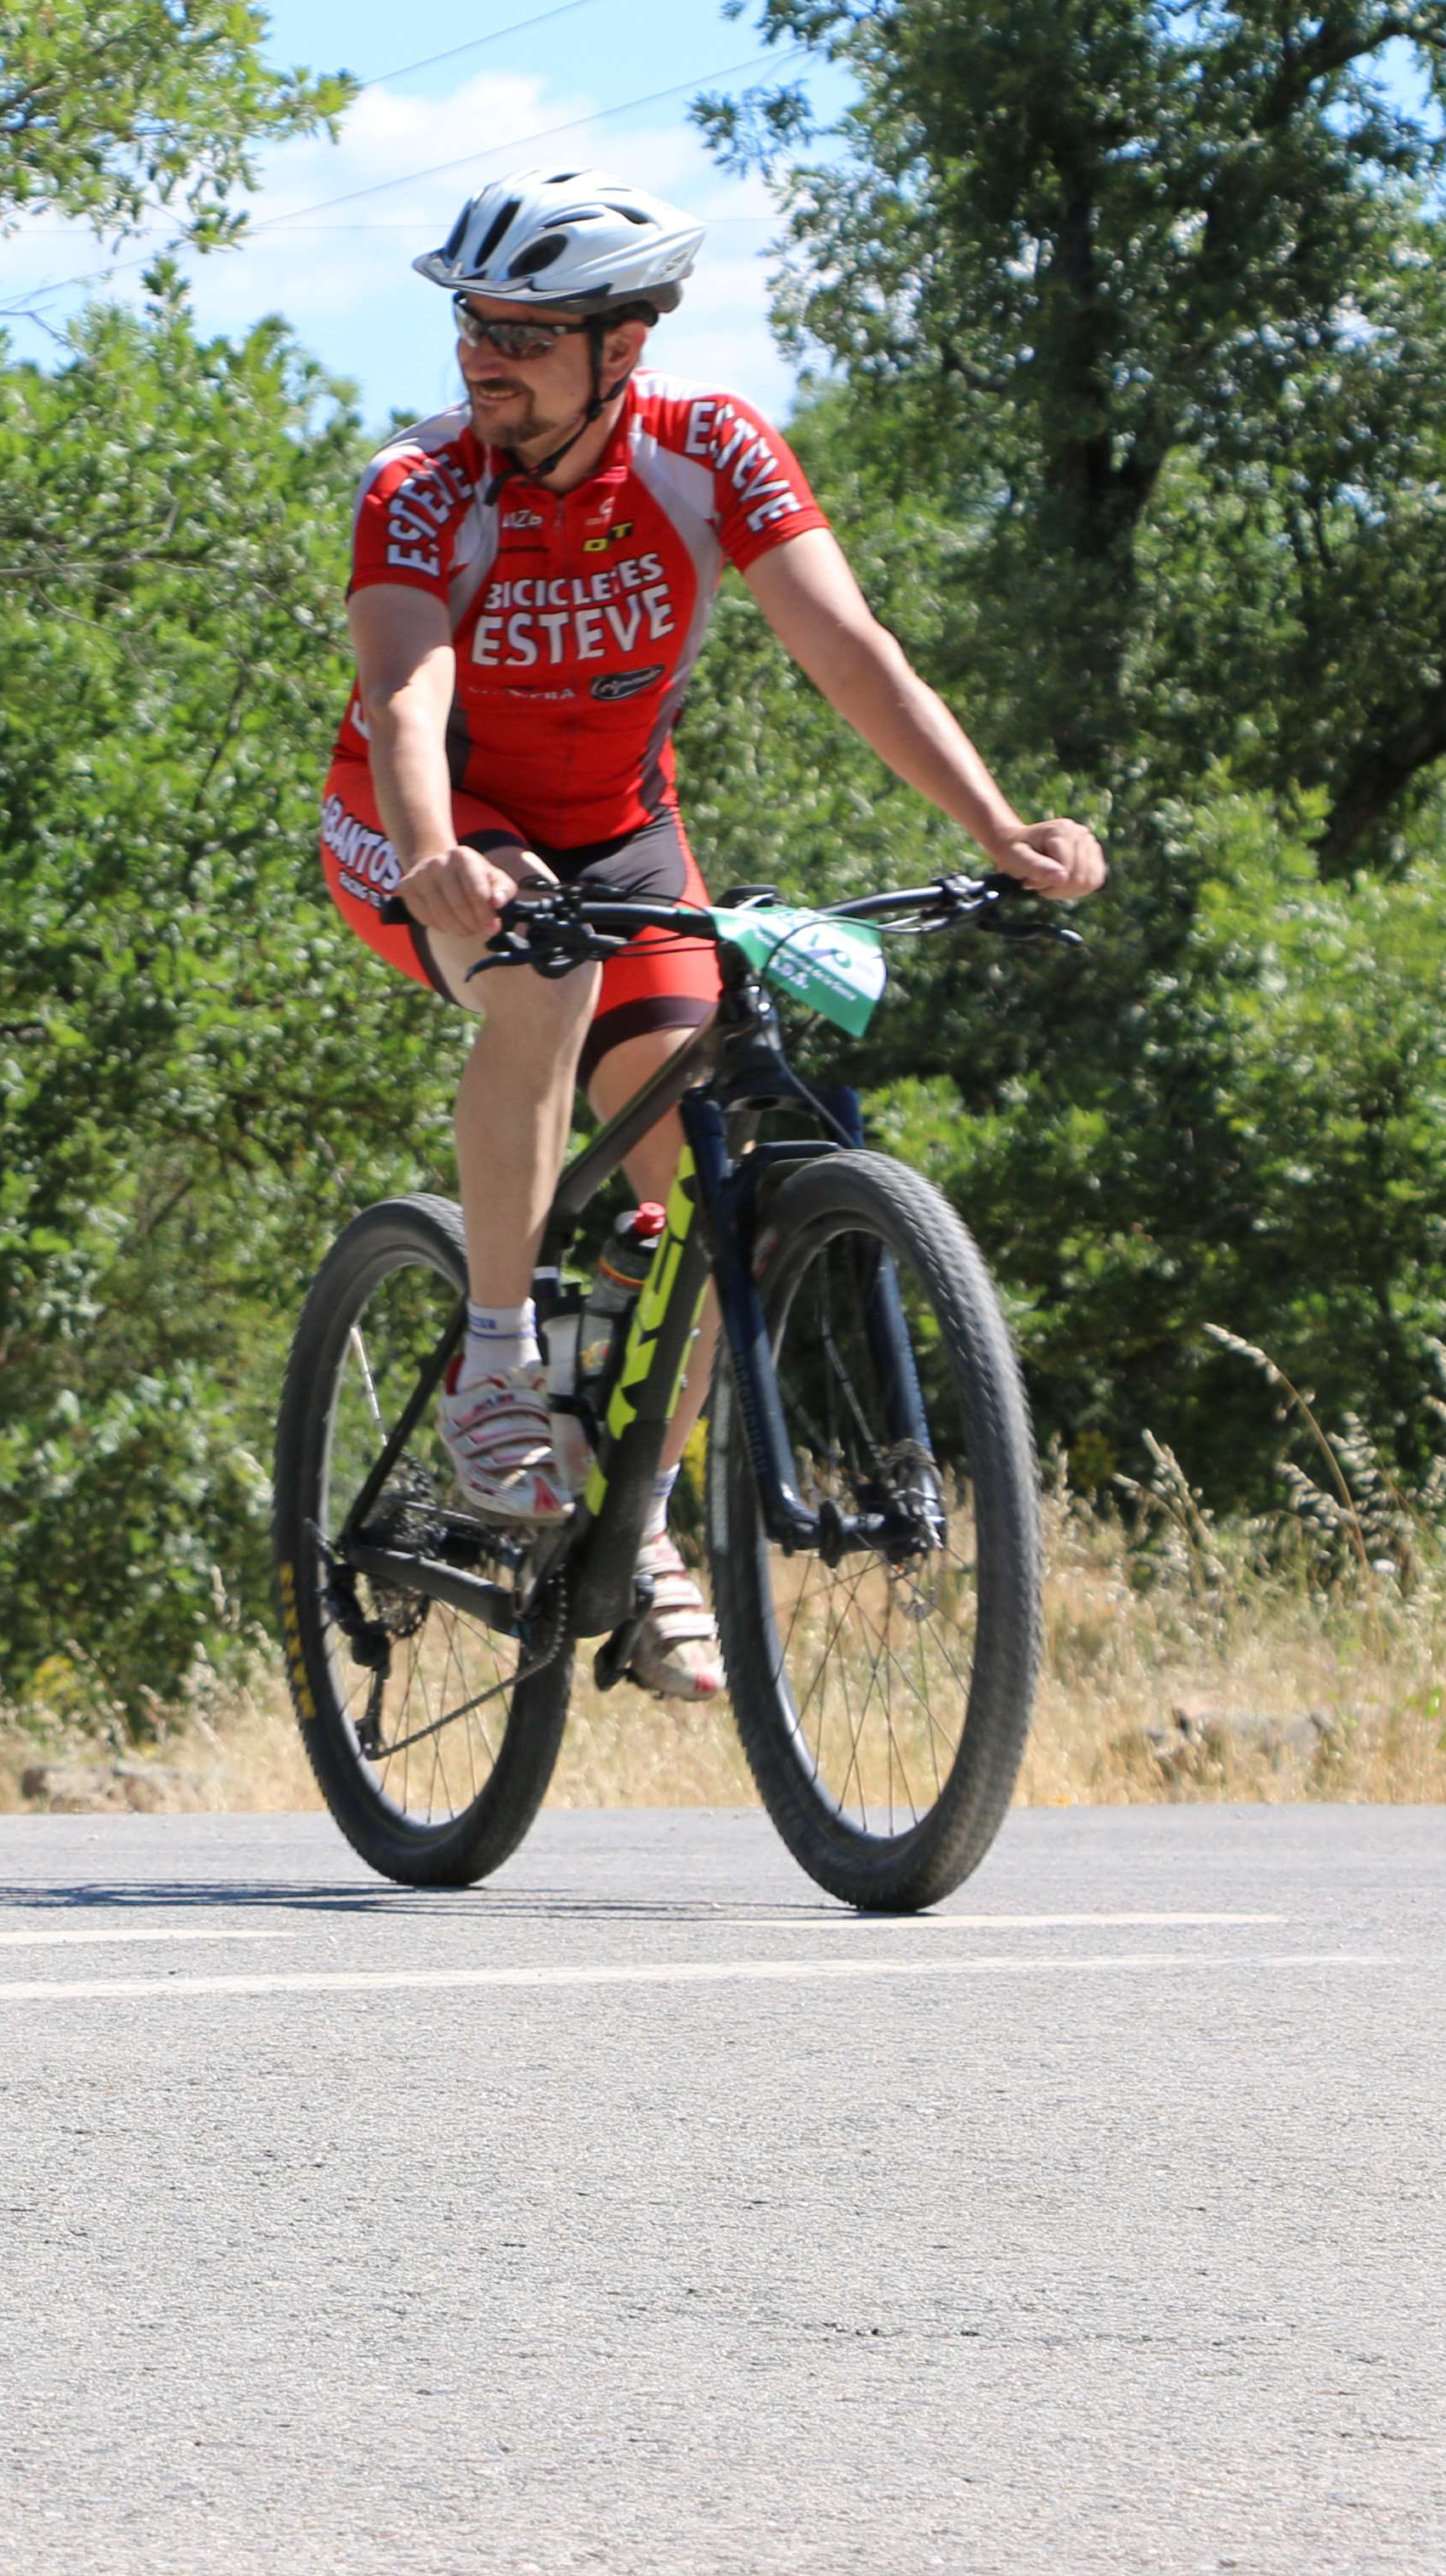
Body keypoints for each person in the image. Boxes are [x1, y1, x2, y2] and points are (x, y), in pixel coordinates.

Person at [320, 170, 1106, 1695]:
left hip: (619, 831)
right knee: (539, 985)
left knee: (702, 1192)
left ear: (626, 344)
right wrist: (432, 855)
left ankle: (643, 1516)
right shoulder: (416, 487)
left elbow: (847, 646)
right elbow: (406, 693)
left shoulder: (706, 451)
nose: (486, 354)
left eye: (530, 332)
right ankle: (493, 1361)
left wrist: (994, 828)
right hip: (424, 822)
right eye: (474, 322)